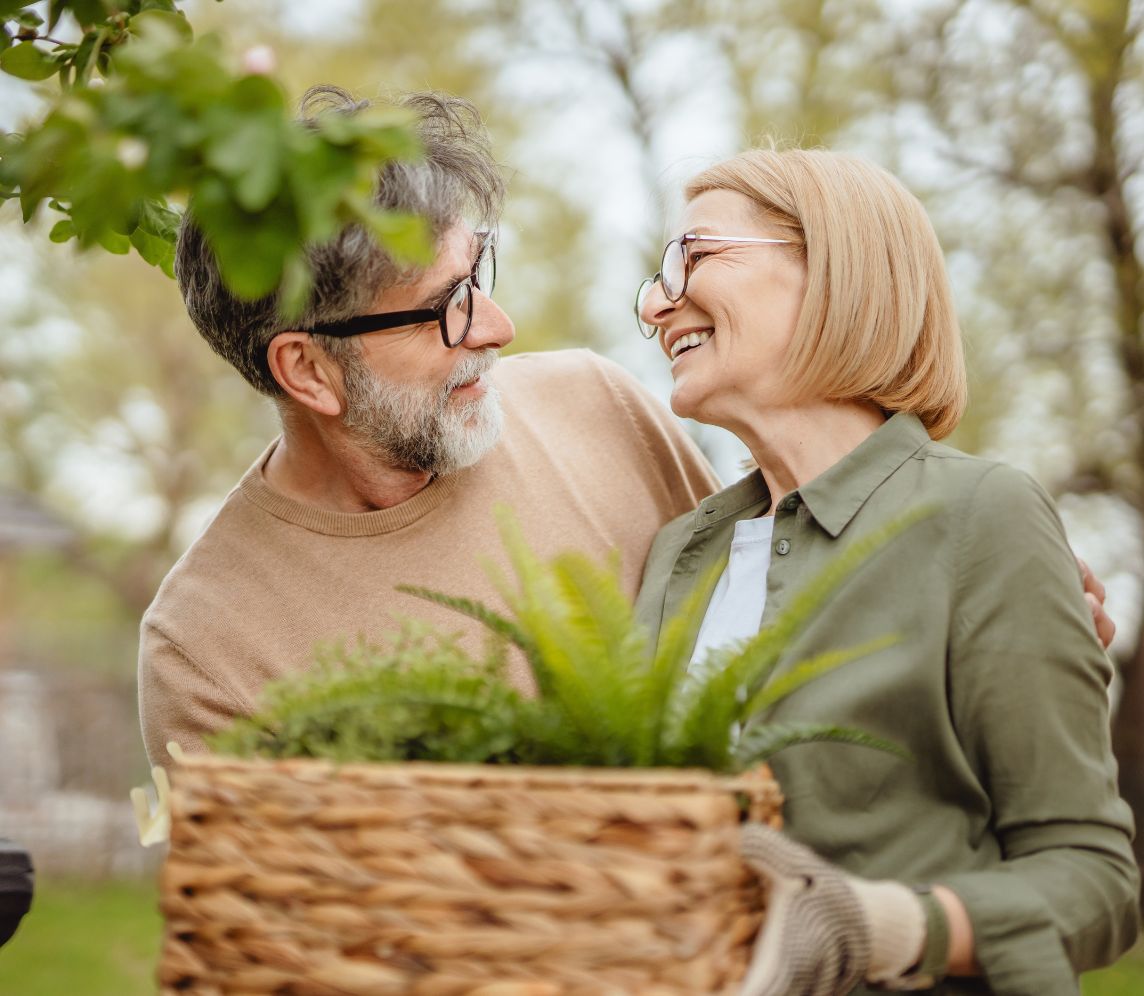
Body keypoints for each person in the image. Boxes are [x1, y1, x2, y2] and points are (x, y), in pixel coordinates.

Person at [633, 148, 1139, 995]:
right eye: (657, 276)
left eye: (695, 255)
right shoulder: (681, 552)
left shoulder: (984, 517)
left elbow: (1093, 880)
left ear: (834, 271)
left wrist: (890, 926)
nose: (657, 303)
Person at [137, 86, 719, 765]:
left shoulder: (601, 407)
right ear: (308, 370)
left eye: (478, 273)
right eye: (446, 306)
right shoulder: (206, 651)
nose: (498, 328)